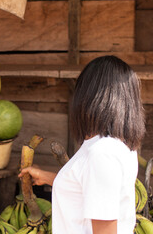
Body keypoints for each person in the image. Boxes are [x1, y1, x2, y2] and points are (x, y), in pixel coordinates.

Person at [19, 55, 145, 234]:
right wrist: (49, 177)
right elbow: (91, 190)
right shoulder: (118, 146)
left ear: (88, 97)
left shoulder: (102, 153)